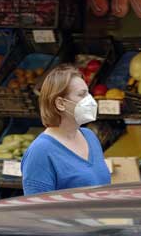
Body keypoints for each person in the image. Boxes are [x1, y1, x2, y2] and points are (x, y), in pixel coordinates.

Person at [21, 64, 111, 195]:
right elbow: (37, 210)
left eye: (89, 93)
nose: (90, 100)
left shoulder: (89, 137)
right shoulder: (40, 152)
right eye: (82, 95)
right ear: (60, 104)